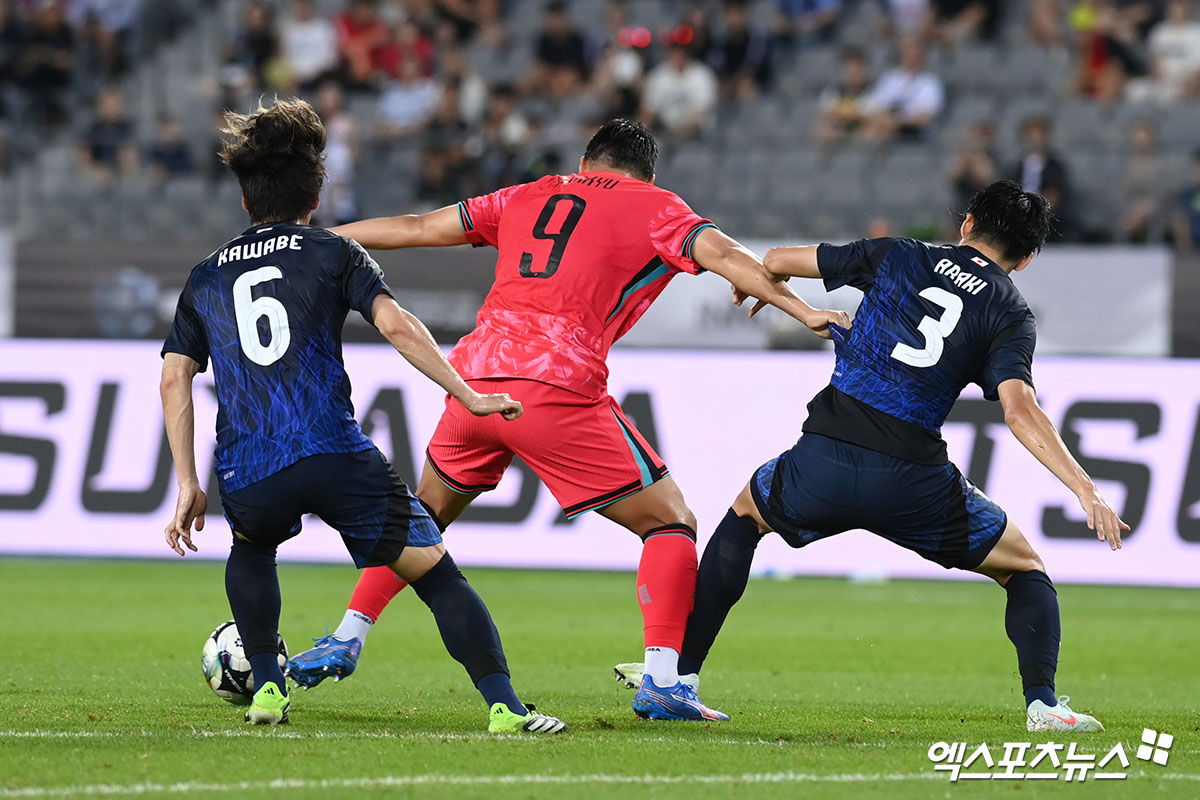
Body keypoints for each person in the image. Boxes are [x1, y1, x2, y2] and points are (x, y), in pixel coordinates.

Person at [284, 118, 849, 722]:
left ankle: (347, 634)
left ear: (587, 163)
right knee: (669, 522)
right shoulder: (657, 207)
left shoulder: (528, 194)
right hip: (554, 389)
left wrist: (315, 241)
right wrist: (802, 308)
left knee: (421, 522)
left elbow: (419, 226)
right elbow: (727, 256)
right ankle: (663, 680)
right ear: (647, 172)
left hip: (473, 381)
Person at [616, 181, 1127, 733]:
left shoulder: (899, 254)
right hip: (913, 482)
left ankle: (679, 680)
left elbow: (774, 259)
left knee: (744, 517)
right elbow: (1020, 411)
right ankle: (1044, 707)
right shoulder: (1010, 312)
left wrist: (778, 290)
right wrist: (1085, 489)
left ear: (967, 222)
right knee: (1025, 569)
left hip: (824, 461)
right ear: (1026, 259)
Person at [159, 97, 566, 735]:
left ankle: (268, 689)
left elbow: (175, 375)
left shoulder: (204, 277)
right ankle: (506, 709)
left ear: (244, 201)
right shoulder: (332, 251)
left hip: (251, 464)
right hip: (335, 453)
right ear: (315, 197)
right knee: (436, 575)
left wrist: (187, 482)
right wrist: (469, 393)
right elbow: (398, 326)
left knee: (251, 546)